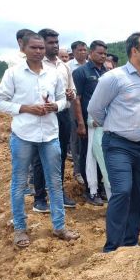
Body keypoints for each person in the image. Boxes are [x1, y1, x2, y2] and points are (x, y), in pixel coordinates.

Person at [0, 33, 79, 248]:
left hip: (49, 134)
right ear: (23, 48)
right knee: (20, 182)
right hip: (23, 134)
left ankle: (60, 227)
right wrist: (25, 108)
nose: (39, 51)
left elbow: (63, 100)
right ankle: (20, 229)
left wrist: (56, 106)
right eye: (34, 47)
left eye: (41, 47)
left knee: (55, 181)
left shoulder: (53, 74)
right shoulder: (13, 73)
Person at [88, 32, 140, 253]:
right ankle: (112, 246)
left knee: (138, 194)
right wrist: (113, 126)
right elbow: (94, 109)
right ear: (135, 51)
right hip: (118, 144)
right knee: (123, 191)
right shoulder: (114, 78)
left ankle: (131, 242)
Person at [31, 28, 78, 212]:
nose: (55, 46)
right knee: (39, 157)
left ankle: (58, 193)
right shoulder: (36, 65)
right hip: (42, 115)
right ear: (41, 44)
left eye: (56, 42)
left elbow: (72, 91)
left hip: (62, 114)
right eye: (50, 42)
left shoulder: (64, 66)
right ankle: (40, 198)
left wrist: (70, 94)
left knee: (59, 155)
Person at [72, 40, 108, 205]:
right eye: (100, 53)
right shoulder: (81, 72)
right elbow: (77, 99)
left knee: (102, 155)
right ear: (91, 53)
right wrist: (81, 123)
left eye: (105, 54)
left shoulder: (106, 72)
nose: (103, 56)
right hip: (88, 123)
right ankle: (90, 190)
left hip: (103, 124)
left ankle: (100, 187)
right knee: (88, 156)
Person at [67, 40, 88, 185]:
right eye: (79, 50)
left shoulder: (90, 66)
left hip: (88, 108)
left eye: (84, 50)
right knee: (76, 139)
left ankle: (88, 169)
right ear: (73, 52)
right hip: (73, 106)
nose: (82, 52)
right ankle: (78, 170)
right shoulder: (68, 67)